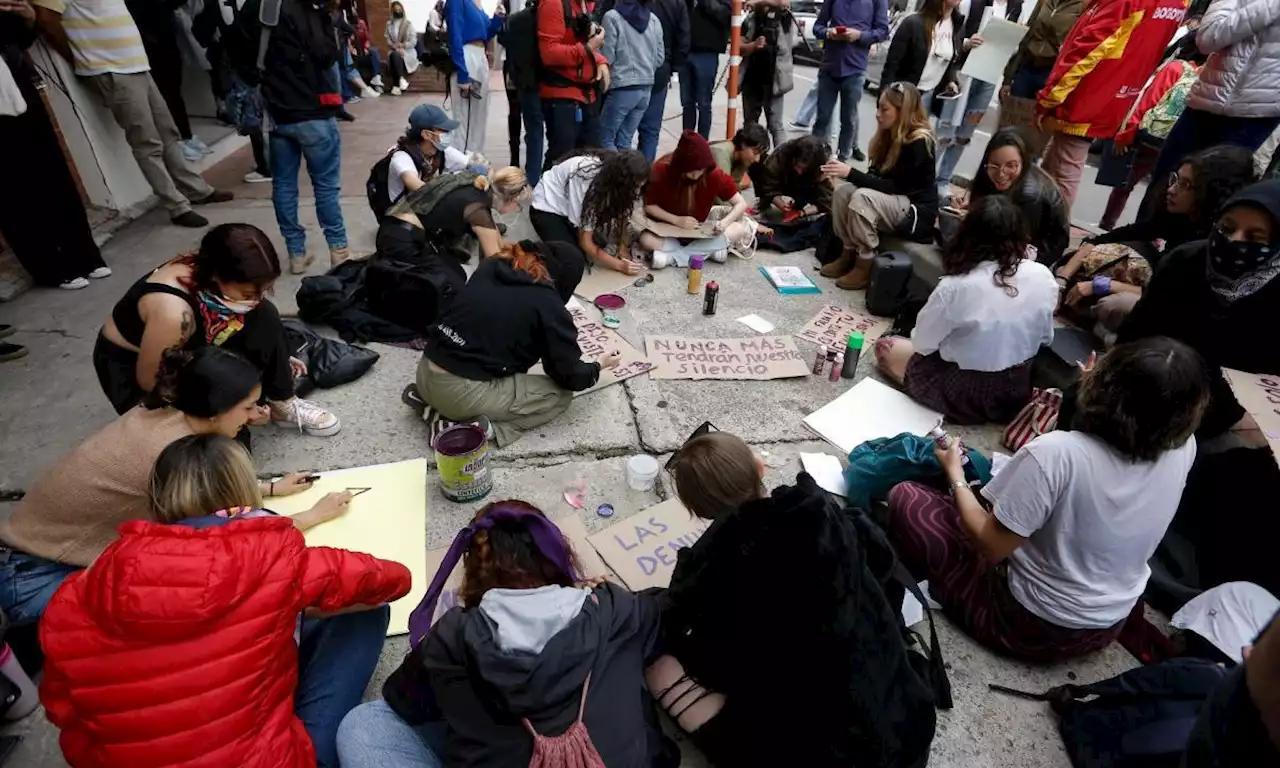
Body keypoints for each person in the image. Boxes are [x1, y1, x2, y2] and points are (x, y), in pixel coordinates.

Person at [39, 433, 411, 768]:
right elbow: (393, 579)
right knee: (365, 612)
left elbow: (66, 718)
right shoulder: (272, 557)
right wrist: (294, 598)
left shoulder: (80, 590)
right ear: (246, 495)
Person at [887, 336, 1208, 662]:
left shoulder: (1057, 454)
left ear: (1107, 384)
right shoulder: (1184, 448)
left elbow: (990, 546)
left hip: (1027, 625)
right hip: (1109, 622)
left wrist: (955, 476)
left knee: (908, 498)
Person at [652, 431, 938, 766]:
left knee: (659, 668)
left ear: (696, 510)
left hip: (834, 755)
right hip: (908, 727)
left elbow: (723, 665)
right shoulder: (826, 515)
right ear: (760, 468)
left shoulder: (714, 568)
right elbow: (884, 565)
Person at [0, 347, 328, 627]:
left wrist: (269, 489)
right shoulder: (175, 453)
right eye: (249, 407)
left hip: (25, 557)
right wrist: (314, 515)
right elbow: (231, 537)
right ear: (215, 408)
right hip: (39, 579)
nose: (259, 414)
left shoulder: (167, 412)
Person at [336, 500, 671, 767]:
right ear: (556, 557)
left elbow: (404, 701)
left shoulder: (452, 635)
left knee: (367, 722)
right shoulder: (617, 609)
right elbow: (667, 610)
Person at [1111, 181, 1280, 599]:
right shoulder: (1185, 262)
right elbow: (1134, 338)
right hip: (1151, 389)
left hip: (1222, 417)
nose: (1234, 243)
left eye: (1255, 238)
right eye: (1227, 228)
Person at [93, 223, 342, 435]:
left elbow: (236, 319)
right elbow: (151, 382)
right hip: (138, 370)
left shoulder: (215, 268)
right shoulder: (173, 313)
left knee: (264, 314)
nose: (256, 297)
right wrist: (229, 408)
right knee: (219, 449)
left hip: (192, 344)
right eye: (247, 292)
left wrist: (274, 358)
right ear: (216, 276)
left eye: (265, 288)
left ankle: (281, 402)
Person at [32, 0, 233, 228]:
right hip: (111, 69)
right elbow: (47, 19)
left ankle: (196, 190)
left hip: (137, 64)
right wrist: (81, 60)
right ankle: (177, 207)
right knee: (147, 142)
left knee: (168, 133)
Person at [414, 240, 622, 446]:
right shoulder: (547, 304)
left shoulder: (493, 265)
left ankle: (433, 406)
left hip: (425, 372)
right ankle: (476, 429)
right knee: (557, 396)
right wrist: (598, 365)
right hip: (460, 394)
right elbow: (569, 377)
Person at [873, 195, 1058, 423]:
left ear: (968, 234)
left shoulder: (956, 286)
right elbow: (1045, 337)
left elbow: (923, 344)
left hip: (964, 391)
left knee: (886, 347)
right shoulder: (1043, 275)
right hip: (1016, 389)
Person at [1057, 145, 1257, 319]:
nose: (1172, 189)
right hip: (1155, 288)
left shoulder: (1209, 245)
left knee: (1114, 305)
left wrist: (1100, 285)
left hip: (1176, 309)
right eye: (1176, 179)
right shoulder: (1175, 217)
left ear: (1209, 194)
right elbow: (1104, 239)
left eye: (1185, 185)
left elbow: (1170, 295)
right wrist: (1063, 278)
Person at [1036, 0, 1191, 210]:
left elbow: (1090, 47)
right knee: (1056, 162)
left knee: (1064, 168)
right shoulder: (1178, 3)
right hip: (1116, 90)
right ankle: (1037, 221)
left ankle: (1053, 232)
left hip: (1087, 91)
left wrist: (1050, 96)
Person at [0, 0, 111, 290]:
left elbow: (19, 39)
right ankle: (50, 268)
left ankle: (85, 255)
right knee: (13, 189)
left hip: (18, 87)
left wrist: (28, 18)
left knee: (53, 172)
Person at [1143, 0, 1280, 215]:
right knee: (1166, 184)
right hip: (1205, 101)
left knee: (1211, 199)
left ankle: (1184, 249)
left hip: (1258, 114)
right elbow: (1207, 38)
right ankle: (1135, 243)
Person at [820, 81, 938, 290]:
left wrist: (850, 172)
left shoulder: (919, 141)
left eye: (884, 109)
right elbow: (875, 177)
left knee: (862, 198)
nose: (878, 114)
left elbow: (894, 187)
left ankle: (865, 262)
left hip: (915, 211)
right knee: (843, 192)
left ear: (903, 112)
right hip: (894, 202)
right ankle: (847, 252)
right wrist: (844, 176)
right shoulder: (888, 135)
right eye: (878, 107)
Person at [380, 168, 530, 303]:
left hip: (398, 229)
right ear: (512, 199)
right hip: (401, 241)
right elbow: (494, 260)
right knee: (452, 287)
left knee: (457, 274)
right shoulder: (478, 211)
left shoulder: (478, 185)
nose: (516, 209)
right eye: (518, 205)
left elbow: (497, 239)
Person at [1097, 56, 1202, 231]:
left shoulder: (1175, 68)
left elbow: (1149, 101)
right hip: (1175, 141)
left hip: (1149, 138)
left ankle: (1107, 224)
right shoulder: (1207, 78)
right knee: (1163, 189)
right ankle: (1149, 234)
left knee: (1125, 184)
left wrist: (1126, 133)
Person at [934, 0, 1022, 193]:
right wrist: (967, 42)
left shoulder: (1016, 6)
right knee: (945, 129)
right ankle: (927, 176)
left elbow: (1015, 46)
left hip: (990, 74)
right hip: (964, 69)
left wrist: (1010, 43)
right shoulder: (971, 3)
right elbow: (953, 33)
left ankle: (943, 179)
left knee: (965, 132)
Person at [530, 149, 651, 275]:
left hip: (567, 204)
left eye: (640, 187)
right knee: (573, 259)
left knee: (593, 243)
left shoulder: (611, 177)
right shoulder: (588, 185)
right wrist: (620, 266)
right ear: (621, 183)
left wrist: (622, 247)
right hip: (545, 207)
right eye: (635, 187)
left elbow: (622, 211)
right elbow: (586, 242)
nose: (637, 192)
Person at [964, 127, 1070, 267]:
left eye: (1011, 166)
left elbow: (1018, 244)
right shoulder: (990, 177)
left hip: (1035, 252)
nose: (1001, 174)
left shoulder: (1030, 196)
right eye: (995, 165)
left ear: (1024, 162)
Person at [643, 129, 751, 265]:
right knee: (646, 239)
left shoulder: (713, 175)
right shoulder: (661, 171)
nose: (695, 176)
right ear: (680, 166)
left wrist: (724, 223)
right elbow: (649, 206)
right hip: (668, 231)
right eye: (691, 172)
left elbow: (740, 204)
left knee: (738, 229)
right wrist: (676, 220)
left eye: (700, 171)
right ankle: (707, 252)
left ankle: (673, 258)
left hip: (700, 233)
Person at [811, 0, 890, 162]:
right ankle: (815, 158)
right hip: (829, 66)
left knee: (848, 120)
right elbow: (818, 27)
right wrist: (829, 33)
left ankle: (842, 160)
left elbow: (883, 31)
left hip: (855, 68)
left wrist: (859, 36)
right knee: (822, 119)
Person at [539, 0, 608, 165]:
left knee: (593, 160)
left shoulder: (583, 4)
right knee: (562, 160)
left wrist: (600, 61)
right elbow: (549, 53)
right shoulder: (553, 4)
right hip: (562, 96)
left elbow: (578, 43)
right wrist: (588, 49)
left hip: (585, 95)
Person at [600, 0, 664, 150]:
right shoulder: (654, 20)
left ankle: (614, 173)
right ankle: (626, 173)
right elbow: (660, 57)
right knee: (625, 140)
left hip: (622, 86)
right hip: (646, 88)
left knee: (605, 138)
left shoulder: (612, 17)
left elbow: (607, 57)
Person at [879, 0, 965, 112]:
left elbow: (951, 58)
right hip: (903, 94)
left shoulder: (957, 25)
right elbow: (892, 64)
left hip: (929, 95)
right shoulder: (913, 23)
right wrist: (885, 98)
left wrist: (950, 80)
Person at [445, 0, 503, 153]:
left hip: (480, 55)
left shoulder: (477, 5)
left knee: (479, 114)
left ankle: (475, 156)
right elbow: (455, 35)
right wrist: (462, 73)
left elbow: (486, 33)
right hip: (466, 54)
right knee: (463, 116)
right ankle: (459, 161)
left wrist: (497, 19)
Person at [999, 0, 1085, 102]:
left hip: (1049, 73)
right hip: (1027, 66)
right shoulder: (1044, 2)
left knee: (1034, 115)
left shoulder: (1082, 7)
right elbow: (1026, 37)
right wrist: (1008, 79)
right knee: (1012, 113)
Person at [635, 0, 688, 161]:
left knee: (622, 131)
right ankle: (643, 176)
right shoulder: (677, 4)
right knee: (650, 131)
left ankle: (623, 174)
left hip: (633, 65)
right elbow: (683, 38)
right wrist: (673, 67)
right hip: (660, 68)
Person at [739, 0, 796, 152]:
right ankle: (748, 164)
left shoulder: (784, 17)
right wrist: (752, 46)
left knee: (776, 126)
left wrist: (757, 1)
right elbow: (738, 46)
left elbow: (783, 3)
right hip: (751, 80)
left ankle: (782, 163)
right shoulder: (751, 18)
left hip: (774, 81)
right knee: (749, 126)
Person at [383, 103, 460, 210]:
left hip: (422, 206)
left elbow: (473, 163)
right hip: (401, 213)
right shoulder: (402, 157)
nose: (449, 134)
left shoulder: (441, 151)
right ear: (426, 134)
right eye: (444, 130)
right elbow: (413, 182)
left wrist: (483, 170)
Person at [751, 133, 834, 217]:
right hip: (785, 180)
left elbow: (828, 200)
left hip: (806, 186)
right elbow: (768, 186)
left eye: (804, 169)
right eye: (798, 166)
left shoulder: (822, 168)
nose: (799, 171)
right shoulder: (780, 157)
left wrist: (803, 212)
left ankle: (799, 205)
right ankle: (764, 202)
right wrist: (780, 203)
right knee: (757, 167)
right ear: (793, 157)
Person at [681, 0, 728, 138]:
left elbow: (725, 15)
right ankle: (687, 141)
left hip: (707, 52)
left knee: (704, 103)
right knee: (687, 103)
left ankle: (702, 143)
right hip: (686, 51)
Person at [711, 123, 768, 192]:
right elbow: (722, 195)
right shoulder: (720, 152)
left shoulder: (742, 158)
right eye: (755, 153)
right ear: (743, 144)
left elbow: (735, 190)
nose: (757, 159)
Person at [385, 0, 418, 94]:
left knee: (395, 57)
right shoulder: (389, 24)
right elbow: (387, 39)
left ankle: (396, 85)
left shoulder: (408, 24)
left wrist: (402, 46)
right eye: (395, 10)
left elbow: (413, 41)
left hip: (408, 52)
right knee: (394, 55)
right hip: (394, 50)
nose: (397, 11)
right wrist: (395, 48)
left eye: (399, 10)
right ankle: (401, 79)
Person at [352, 17, 383, 90]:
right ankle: (376, 81)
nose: (361, 28)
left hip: (364, 54)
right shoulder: (350, 31)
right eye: (359, 27)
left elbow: (368, 39)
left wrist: (367, 46)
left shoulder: (363, 29)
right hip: (356, 56)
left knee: (373, 52)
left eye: (362, 27)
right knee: (373, 55)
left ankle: (377, 78)